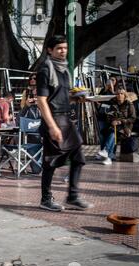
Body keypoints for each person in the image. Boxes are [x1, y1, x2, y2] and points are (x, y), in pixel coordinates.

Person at [36, 35, 94, 212]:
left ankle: (72, 196)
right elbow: (42, 100)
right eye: (59, 48)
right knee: (51, 161)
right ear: (50, 50)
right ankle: (46, 199)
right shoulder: (45, 69)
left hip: (66, 119)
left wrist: (77, 99)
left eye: (65, 48)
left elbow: (62, 96)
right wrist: (52, 126)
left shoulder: (65, 69)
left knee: (79, 158)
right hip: (53, 119)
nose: (63, 51)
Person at [98, 89, 136, 165]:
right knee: (104, 134)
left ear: (125, 95)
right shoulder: (112, 103)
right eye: (118, 94)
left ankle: (107, 153)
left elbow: (133, 118)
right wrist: (112, 121)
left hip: (125, 128)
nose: (119, 95)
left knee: (112, 135)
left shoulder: (129, 104)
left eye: (121, 93)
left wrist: (120, 121)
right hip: (113, 126)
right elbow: (108, 115)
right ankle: (109, 156)